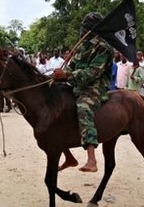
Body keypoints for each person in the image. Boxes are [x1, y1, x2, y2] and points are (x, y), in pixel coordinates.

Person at [53, 12, 112, 173]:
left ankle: (92, 159)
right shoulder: (82, 46)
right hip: (76, 85)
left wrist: (67, 75)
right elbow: (72, 67)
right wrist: (60, 75)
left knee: (83, 108)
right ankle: (68, 156)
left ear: (92, 30)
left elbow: (92, 73)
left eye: (84, 28)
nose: (81, 30)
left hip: (95, 87)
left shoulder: (103, 48)